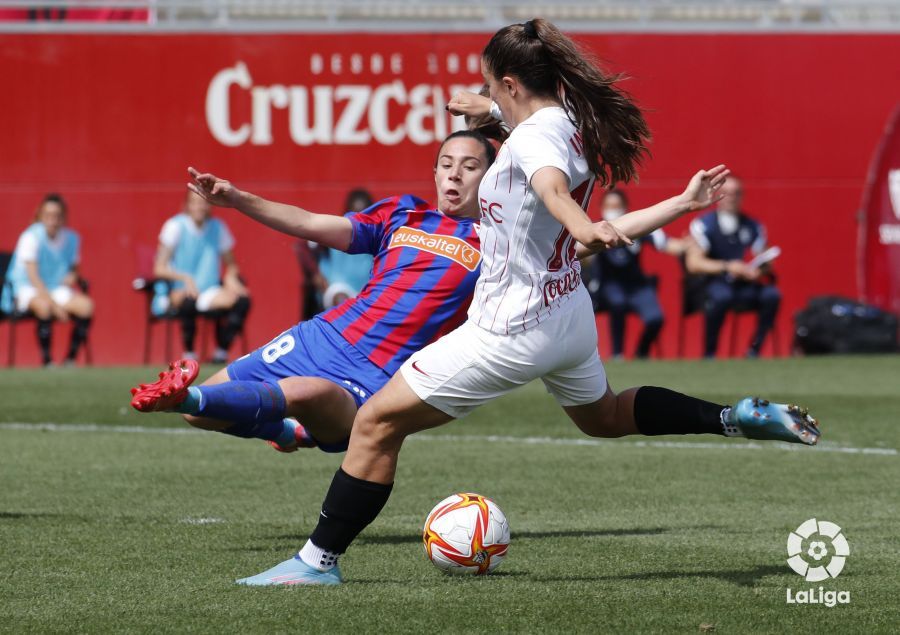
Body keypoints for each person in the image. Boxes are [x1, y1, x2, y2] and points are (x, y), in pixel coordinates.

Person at [226, 19, 820, 586]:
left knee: (377, 423)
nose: (487, 97)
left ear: (512, 85)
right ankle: (729, 417)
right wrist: (680, 205)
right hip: (567, 314)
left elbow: (550, 186)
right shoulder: (570, 119)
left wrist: (581, 226)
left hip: (509, 329)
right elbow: (542, 157)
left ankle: (316, 561)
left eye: (492, 87)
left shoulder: (535, 141)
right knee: (605, 417)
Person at [130, 130, 494, 456]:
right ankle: (281, 431)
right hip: (323, 335)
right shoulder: (403, 213)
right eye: (446, 164)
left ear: (491, 177)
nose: (455, 173)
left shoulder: (498, 242)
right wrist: (238, 199)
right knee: (199, 415)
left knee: (304, 393)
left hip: (378, 373)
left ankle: (180, 396)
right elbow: (308, 223)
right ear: (434, 172)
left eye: (470, 166)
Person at [685, 176, 781, 358]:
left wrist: (758, 270)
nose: (731, 198)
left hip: (744, 285)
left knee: (771, 295)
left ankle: (754, 350)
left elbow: (765, 257)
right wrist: (727, 266)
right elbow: (694, 263)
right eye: (725, 193)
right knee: (721, 296)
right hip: (715, 283)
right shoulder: (704, 225)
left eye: (736, 193)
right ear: (716, 196)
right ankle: (710, 353)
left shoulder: (752, 225)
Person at [152, 190, 251, 363]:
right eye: (195, 202)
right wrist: (185, 279)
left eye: (203, 202)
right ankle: (189, 355)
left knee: (242, 300)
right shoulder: (175, 226)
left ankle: (221, 352)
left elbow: (231, 264)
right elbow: (159, 269)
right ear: (187, 205)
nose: (199, 207)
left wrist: (231, 278)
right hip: (180, 290)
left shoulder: (218, 227)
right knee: (188, 301)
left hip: (209, 291)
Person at [586, 189, 686, 359]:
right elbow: (584, 258)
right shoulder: (594, 230)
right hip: (608, 286)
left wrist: (688, 246)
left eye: (617, 206)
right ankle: (618, 354)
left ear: (625, 208)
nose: (613, 210)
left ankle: (641, 353)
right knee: (617, 302)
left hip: (637, 286)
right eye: (609, 206)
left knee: (656, 318)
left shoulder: (637, 226)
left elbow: (670, 245)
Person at [1, 193, 93, 366]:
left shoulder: (72, 238)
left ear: (63, 217)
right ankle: (47, 360)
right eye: (48, 215)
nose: (53, 220)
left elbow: (74, 268)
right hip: (26, 288)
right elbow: (33, 276)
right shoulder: (30, 237)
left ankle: (70, 359)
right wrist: (55, 306)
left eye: (57, 215)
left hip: (55, 287)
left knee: (86, 306)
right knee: (44, 307)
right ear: (40, 216)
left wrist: (72, 276)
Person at [316, 189, 376, 308]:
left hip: (368, 302)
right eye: (355, 215)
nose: (359, 222)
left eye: (364, 216)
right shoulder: (334, 239)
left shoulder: (378, 243)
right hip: (337, 298)